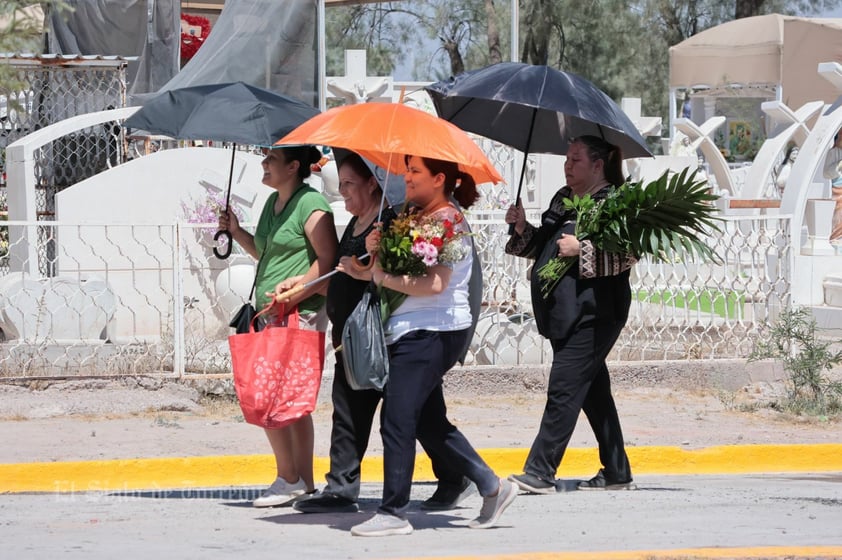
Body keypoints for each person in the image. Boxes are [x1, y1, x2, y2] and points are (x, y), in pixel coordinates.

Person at [293, 153, 475, 514]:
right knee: (355, 411)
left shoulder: (401, 222)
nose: (342, 191)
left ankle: (451, 484)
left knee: (415, 418)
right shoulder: (363, 222)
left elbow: (417, 280)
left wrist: (372, 267)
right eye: (340, 183)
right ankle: (343, 487)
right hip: (359, 337)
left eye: (348, 184)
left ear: (371, 184)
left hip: (393, 336)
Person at [346, 155, 517, 537]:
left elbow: (435, 284)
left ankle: (393, 512)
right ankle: (493, 486)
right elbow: (392, 274)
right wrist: (371, 257)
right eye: (407, 170)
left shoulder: (451, 223)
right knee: (427, 421)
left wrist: (381, 275)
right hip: (410, 329)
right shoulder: (415, 216)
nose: (406, 177)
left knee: (398, 419)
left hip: (434, 330)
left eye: (414, 171)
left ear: (439, 178)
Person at [504, 135, 635, 494]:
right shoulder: (563, 199)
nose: (568, 165)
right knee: (593, 392)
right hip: (563, 311)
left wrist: (582, 249)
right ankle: (617, 471)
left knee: (563, 387)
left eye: (576, 160)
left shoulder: (617, 202)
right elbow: (544, 245)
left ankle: (540, 471)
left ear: (598, 164)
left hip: (596, 312)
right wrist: (521, 228)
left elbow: (628, 255)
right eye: (566, 159)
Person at [219, 145, 337, 507]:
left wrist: (296, 290)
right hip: (272, 313)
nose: (264, 164)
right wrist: (236, 231)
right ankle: (303, 482)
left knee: (270, 395)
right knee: (291, 400)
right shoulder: (273, 205)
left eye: (271, 159)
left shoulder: (312, 205)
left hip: (298, 313)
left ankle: (288, 477)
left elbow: (328, 260)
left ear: (293, 166)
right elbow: (265, 251)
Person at [822, 131, 842, 241]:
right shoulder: (833, 153)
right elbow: (826, 173)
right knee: (840, 216)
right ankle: (837, 240)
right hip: (839, 189)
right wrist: (839, 164)